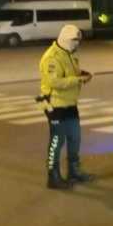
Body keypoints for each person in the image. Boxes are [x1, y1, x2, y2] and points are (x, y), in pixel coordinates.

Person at [38, 25, 94, 190]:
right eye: (75, 41)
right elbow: (54, 82)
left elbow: (71, 72)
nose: (77, 44)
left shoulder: (67, 54)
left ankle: (74, 170)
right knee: (57, 140)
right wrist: (78, 80)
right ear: (67, 40)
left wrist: (82, 74)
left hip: (69, 103)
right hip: (55, 105)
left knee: (75, 138)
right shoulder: (52, 57)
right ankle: (53, 176)